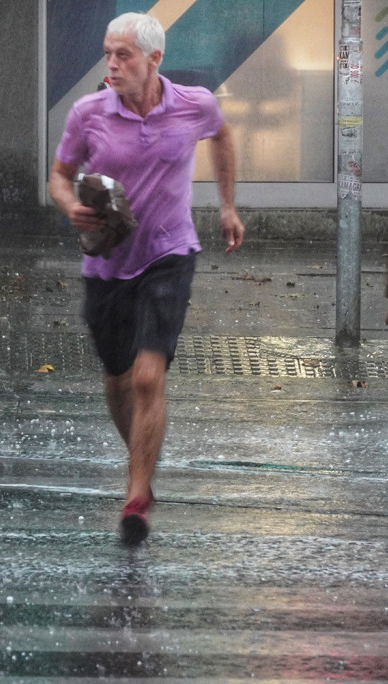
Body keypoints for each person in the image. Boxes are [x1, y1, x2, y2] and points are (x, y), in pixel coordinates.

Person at [48, 12, 245, 546]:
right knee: (116, 380)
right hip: (107, 263)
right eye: (109, 53)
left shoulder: (193, 104)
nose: (112, 64)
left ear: (155, 59)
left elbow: (222, 136)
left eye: (124, 55)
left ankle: (137, 495)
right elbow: (60, 177)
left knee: (146, 378)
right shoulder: (88, 113)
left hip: (169, 254)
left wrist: (228, 205)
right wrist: (71, 207)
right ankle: (140, 455)